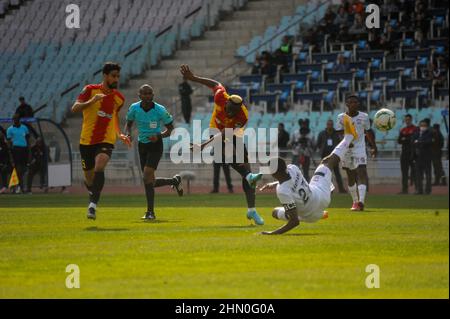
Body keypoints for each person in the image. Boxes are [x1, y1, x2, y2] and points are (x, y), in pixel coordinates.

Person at [180, 64, 265, 225]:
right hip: (215, 128)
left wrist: (204, 145)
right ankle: (248, 177)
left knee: (247, 170)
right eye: (229, 110)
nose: (231, 113)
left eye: (234, 111)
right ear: (226, 103)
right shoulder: (220, 96)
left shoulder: (242, 116)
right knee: (225, 152)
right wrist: (193, 78)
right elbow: (214, 83)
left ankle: (252, 210)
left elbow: (227, 134)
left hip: (230, 132)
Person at [258, 114, 358, 235]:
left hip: (311, 216)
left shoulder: (282, 190)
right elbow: (285, 176)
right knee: (327, 163)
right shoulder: (293, 168)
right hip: (321, 195)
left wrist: (272, 233)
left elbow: (294, 222)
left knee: (276, 212)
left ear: (274, 173)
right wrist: (274, 183)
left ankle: (318, 213)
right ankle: (348, 138)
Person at [71, 62, 131, 220]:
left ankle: (92, 206)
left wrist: (120, 134)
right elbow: (74, 108)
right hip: (87, 141)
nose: (116, 79)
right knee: (89, 179)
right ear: (105, 76)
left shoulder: (119, 98)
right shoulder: (90, 90)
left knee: (100, 164)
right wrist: (92, 101)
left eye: (118, 76)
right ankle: (92, 193)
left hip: (106, 139)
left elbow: (115, 118)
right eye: (113, 76)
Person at [125, 84, 183, 220]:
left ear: (153, 95)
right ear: (139, 95)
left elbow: (170, 129)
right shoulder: (134, 108)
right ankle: (174, 181)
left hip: (156, 145)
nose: (147, 96)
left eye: (149, 93)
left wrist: (158, 136)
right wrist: (127, 134)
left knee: (146, 177)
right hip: (142, 145)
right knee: (149, 180)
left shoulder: (160, 110)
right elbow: (128, 124)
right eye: (144, 94)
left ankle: (150, 212)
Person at [336, 95, 377, 211]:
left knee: (362, 172)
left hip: (360, 148)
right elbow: (339, 133)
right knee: (350, 175)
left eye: (355, 102)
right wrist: (346, 143)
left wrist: (374, 146)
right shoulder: (341, 117)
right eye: (351, 102)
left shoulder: (364, 117)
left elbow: (368, 132)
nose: (353, 104)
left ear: (358, 104)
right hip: (347, 149)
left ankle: (361, 202)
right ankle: (354, 201)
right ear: (347, 105)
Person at [315, 120, 346, 193]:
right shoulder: (322, 134)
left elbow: (340, 143)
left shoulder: (336, 134)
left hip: (334, 156)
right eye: (328, 124)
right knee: (326, 174)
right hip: (324, 156)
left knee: (337, 173)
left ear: (332, 125)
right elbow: (318, 144)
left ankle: (341, 189)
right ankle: (329, 190)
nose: (330, 126)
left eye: (331, 124)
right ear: (326, 125)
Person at [6, 113, 31, 194]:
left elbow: (27, 140)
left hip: (24, 150)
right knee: (17, 169)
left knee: (24, 169)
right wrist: (10, 151)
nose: (14, 120)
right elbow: (9, 142)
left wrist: (28, 149)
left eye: (16, 119)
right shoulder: (9, 129)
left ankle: (20, 187)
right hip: (16, 150)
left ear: (19, 119)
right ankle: (18, 186)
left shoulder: (24, 128)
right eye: (13, 119)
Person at [398, 114, 418, 194]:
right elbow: (399, 141)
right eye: (406, 120)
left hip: (413, 153)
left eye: (408, 119)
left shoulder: (415, 129)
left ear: (411, 119)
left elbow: (413, 140)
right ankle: (404, 190)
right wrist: (407, 139)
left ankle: (417, 189)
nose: (407, 121)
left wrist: (405, 139)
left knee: (415, 172)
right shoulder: (403, 130)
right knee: (404, 173)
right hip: (404, 154)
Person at [412, 119, 433, 194]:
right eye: (421, 125)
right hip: (418, 157)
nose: (422, 127)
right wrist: (419, 142)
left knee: (428, 175)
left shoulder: (429, 133)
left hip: (426, 157)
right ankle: (419, 190)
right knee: (418, 175)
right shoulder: (416, 133)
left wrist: (419, 142)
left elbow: (428, 142)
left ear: (427, 126)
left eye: (424, 125)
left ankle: (428, 190)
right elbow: (413, 142)